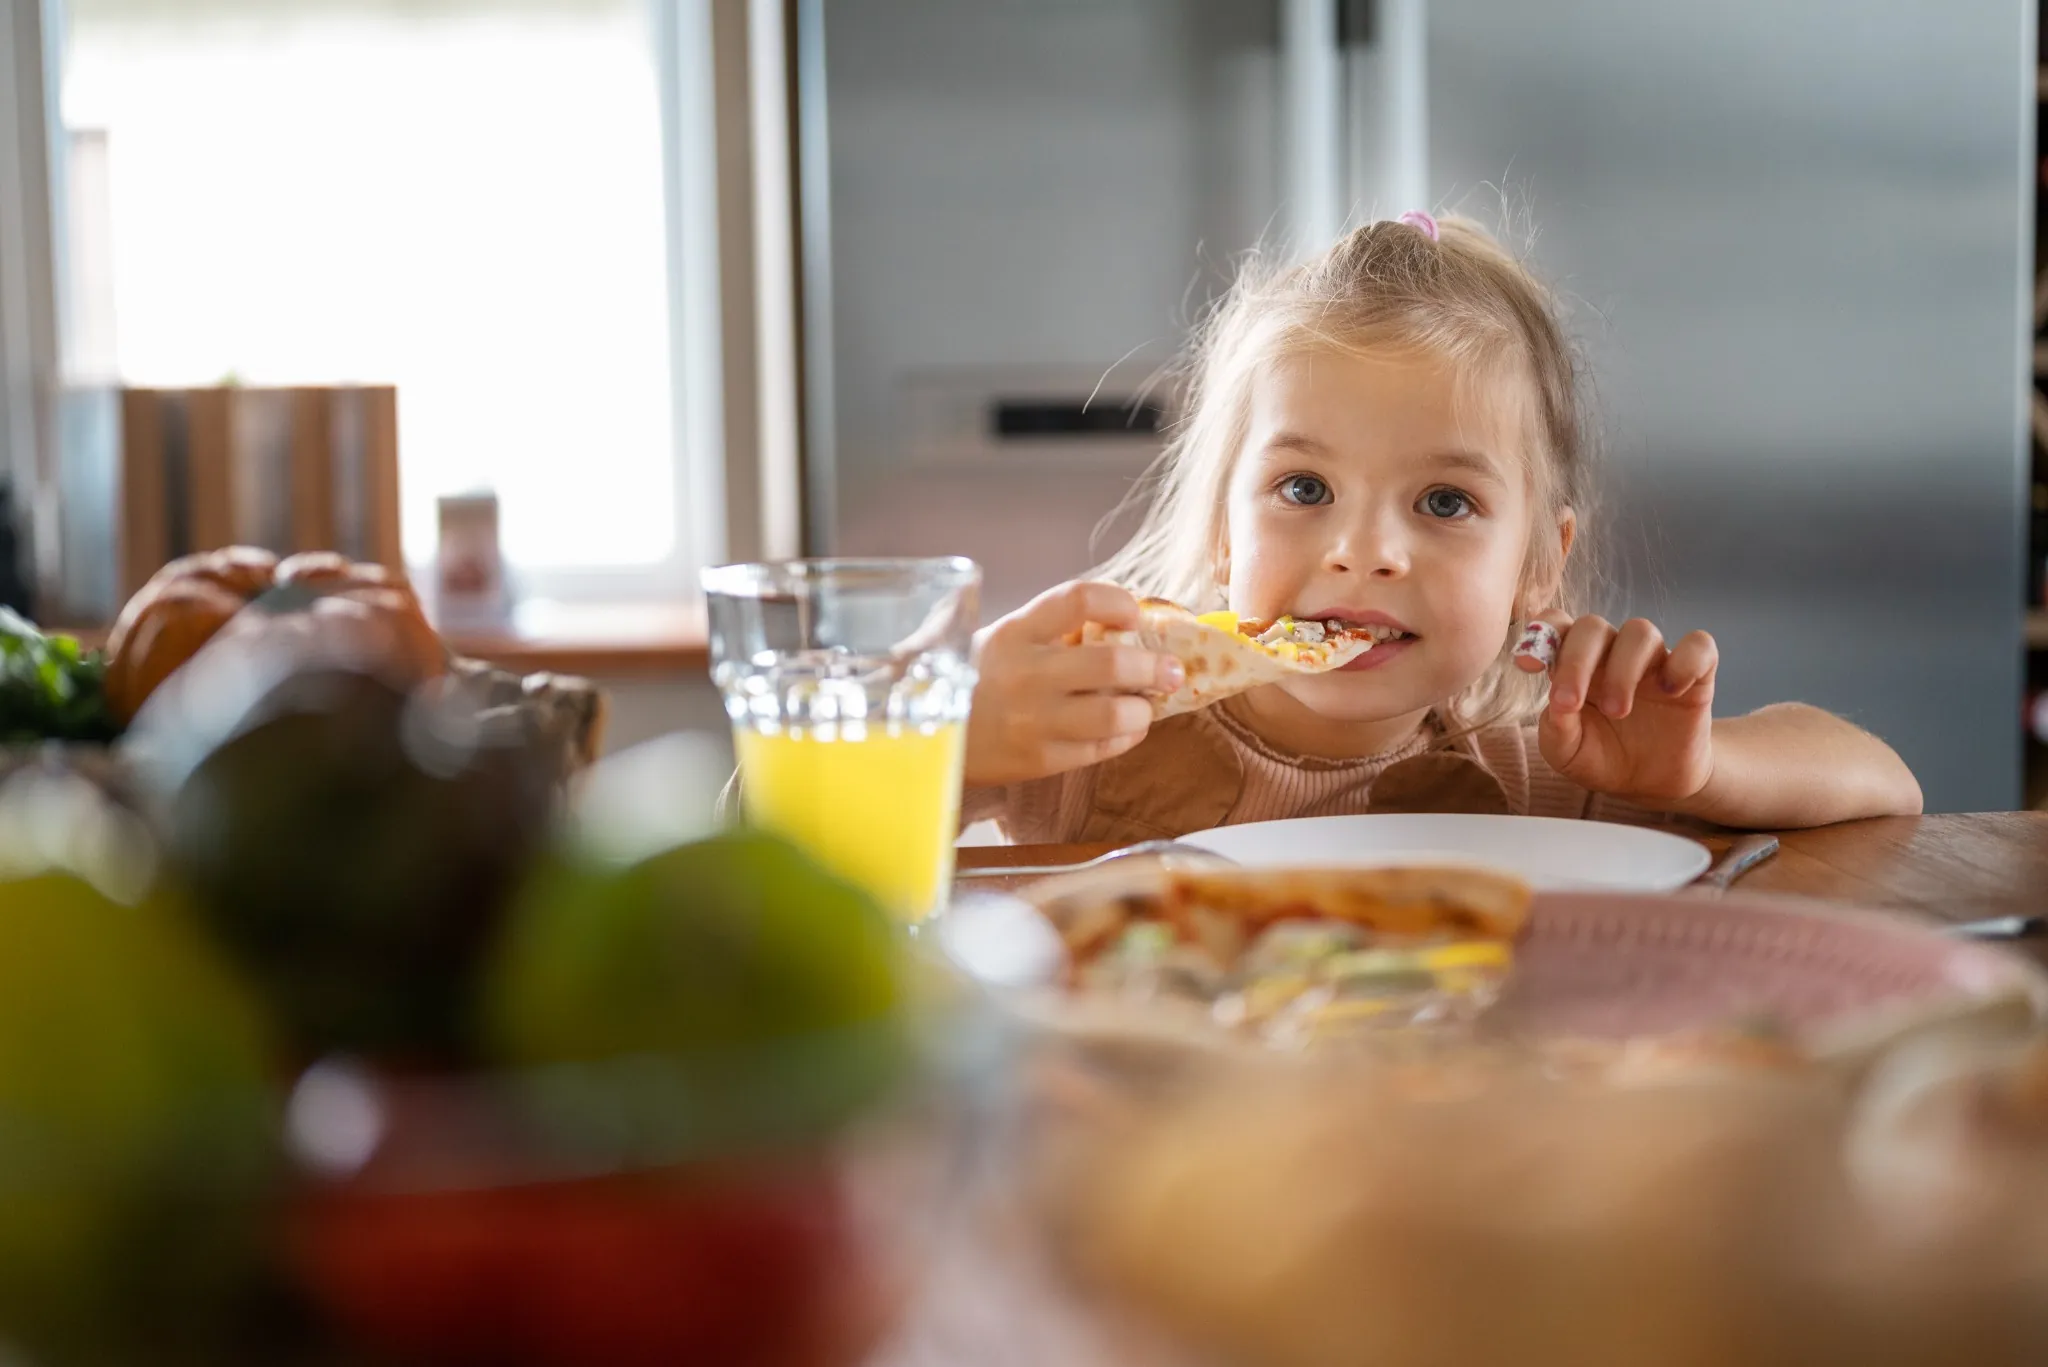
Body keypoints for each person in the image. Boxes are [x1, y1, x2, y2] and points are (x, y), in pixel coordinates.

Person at [962, 212, 1921, 844]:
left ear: (1538, 566)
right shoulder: (1095, 733)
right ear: (1222, 534)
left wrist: (1705, 771)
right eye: (1304, 488)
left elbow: (1886, 785)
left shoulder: (1550, 767)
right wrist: (960, 741)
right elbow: (821, 849)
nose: (1365, 551)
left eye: (1445, 502)